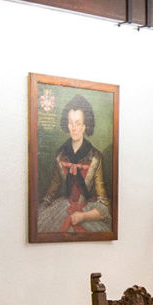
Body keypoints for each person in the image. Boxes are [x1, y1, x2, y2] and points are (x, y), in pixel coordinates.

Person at [35, 94, 111, 234]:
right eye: (70, 123)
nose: (74, 128)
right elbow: (52, 190)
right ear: (67, 125)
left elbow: (104, 203)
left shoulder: (95, 157)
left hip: (87, 211)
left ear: (84, 126)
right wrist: (41, 209)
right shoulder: (60, 155)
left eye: (78, 123)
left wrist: (83, 216)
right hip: (62, 209)